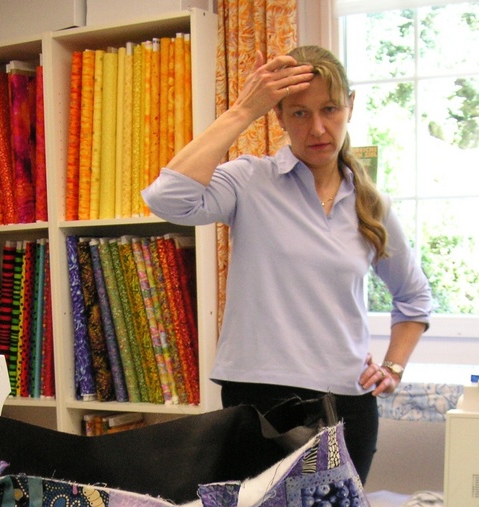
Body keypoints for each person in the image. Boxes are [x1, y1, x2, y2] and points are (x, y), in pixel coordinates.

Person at [142, 45, 432, 484]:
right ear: (277, 115)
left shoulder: (371, 204)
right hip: (259, 401)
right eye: (299, 113)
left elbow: (413, 298)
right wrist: (243, 110)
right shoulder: (249, 180)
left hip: (347, 404)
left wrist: (392, 368)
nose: (317, 128)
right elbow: (168, 198)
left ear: (350, 106)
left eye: (330, 109)